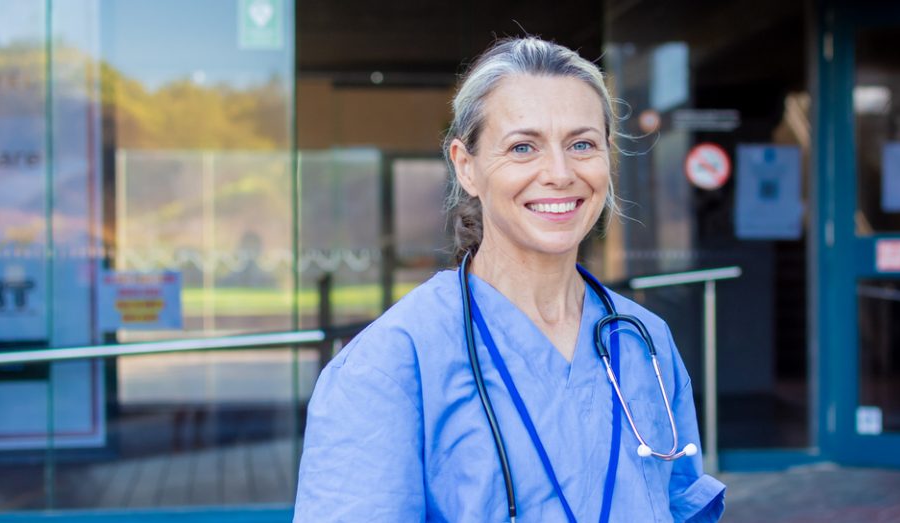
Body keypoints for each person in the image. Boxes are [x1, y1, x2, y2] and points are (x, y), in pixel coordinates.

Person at [294, 36, 725, 522]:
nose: (560, 173)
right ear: (467, 167)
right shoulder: (389, 366)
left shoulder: (645, 341)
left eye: (582, 144)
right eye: (523, 147)